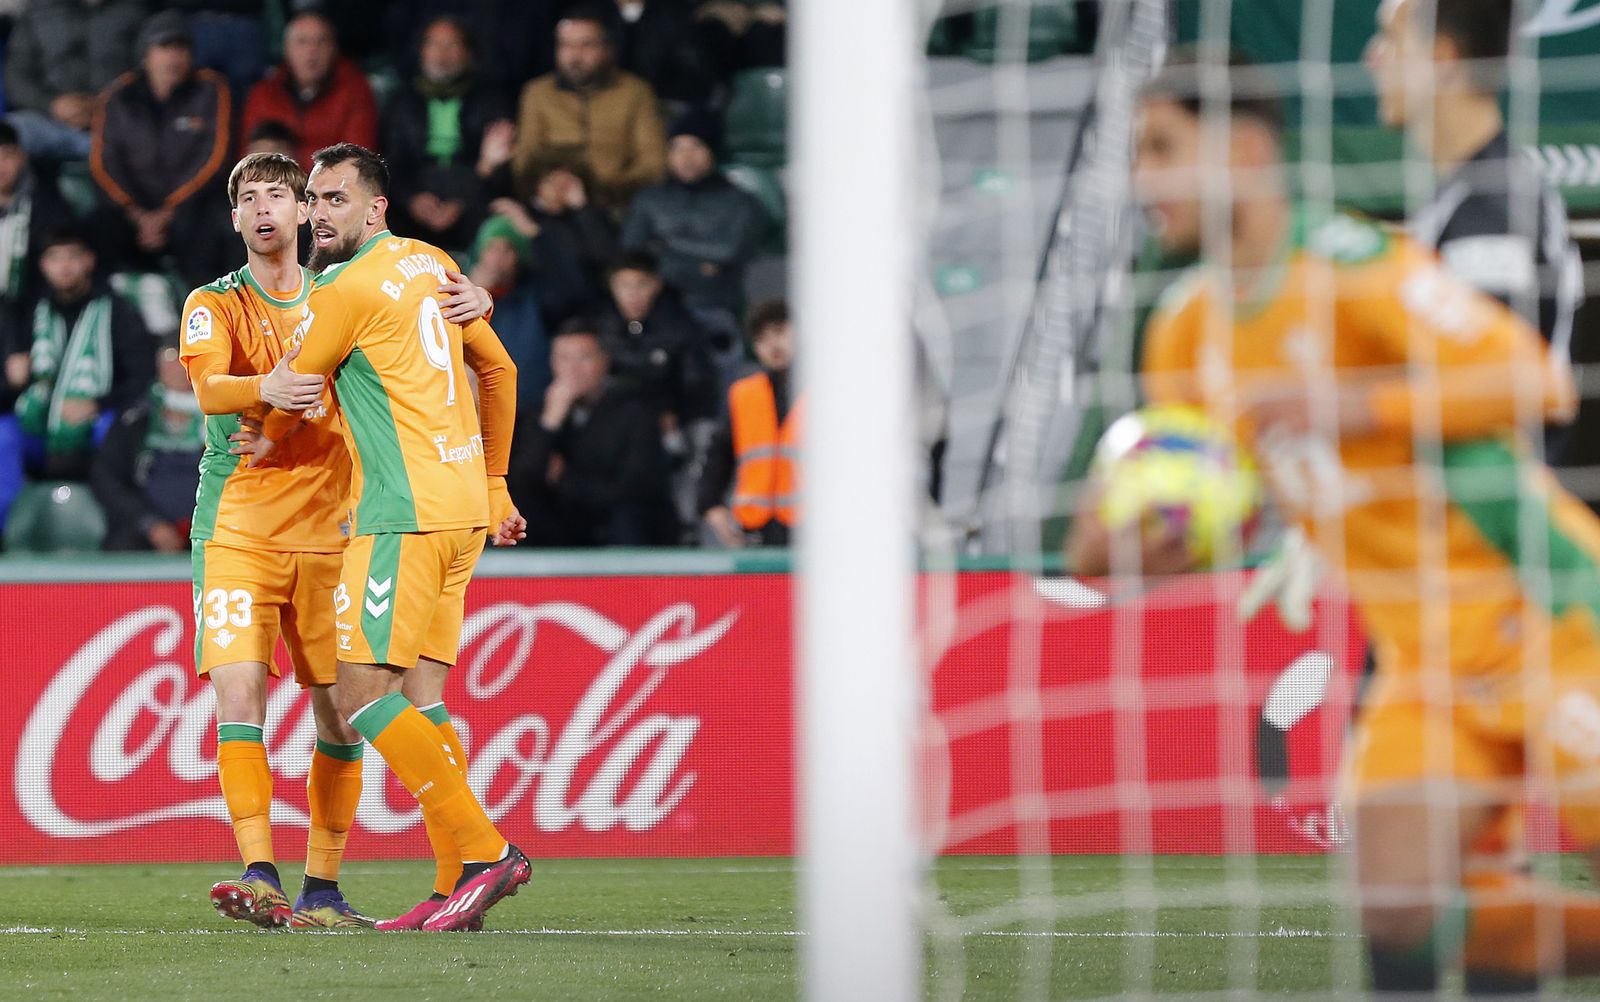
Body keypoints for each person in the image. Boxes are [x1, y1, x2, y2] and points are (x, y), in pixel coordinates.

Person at [1066, 51, 1600, 993]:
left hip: (1553, 616)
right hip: (1426, 662)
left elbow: (1537, 379)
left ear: (1245, 149)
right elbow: (1207, 516)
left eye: (1163, 148)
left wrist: (1353, 407)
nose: (1142, 178)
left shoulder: (1352, 264)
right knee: (1397, 909)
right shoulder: (1183, 333)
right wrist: (1128, 546)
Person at [179, 151, 499, 929]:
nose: (266, 209)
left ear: (303, 215)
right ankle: (261, 872)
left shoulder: (347, 292)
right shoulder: (213, 303)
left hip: (336, 532)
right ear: (235, 218)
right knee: (239, 695)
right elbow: (208, 390)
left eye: (281, 197)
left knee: (341, 714)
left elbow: (450, 326)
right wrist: (265, 388)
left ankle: (324, 888)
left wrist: (477, 301)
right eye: (248, 198)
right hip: (238, 533)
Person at [263, 143, 529, 932]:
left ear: (377, 207)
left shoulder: (344, 288)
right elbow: (502, 371)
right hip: (463, 512)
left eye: (335, 199)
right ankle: (458, 887)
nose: (316, 213)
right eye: (312, 199)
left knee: (358, 694)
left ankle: (486, 854)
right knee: (420, 696)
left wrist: (253, 405)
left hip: (401, 515)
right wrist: (498, 483)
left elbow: (290, 388)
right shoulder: (434, 263)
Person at [1366, 0, 1584, 469]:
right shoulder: (1463, 196)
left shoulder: (1494, 212)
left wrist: (1358, 408)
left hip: (1495, 526)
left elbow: (1490, 393)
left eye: (1391, 39)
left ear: (1444, 60)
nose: (1373, 57)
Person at [88, 11, 235, 290]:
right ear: (146, 54)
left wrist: (170, 211)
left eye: (181, 48)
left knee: (216, 223)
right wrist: (135, 213)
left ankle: (207, 312)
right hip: (132, 213)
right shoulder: (117, 96)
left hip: (190, 210)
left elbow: (215, 159)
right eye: (164, 48)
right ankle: (120, 310)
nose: (173, 57)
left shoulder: (211, 88)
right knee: (99, 226)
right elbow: (103, 164)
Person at [507, 318, 677, 547]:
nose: (573, 369)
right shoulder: (540, 412)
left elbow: (636, 488)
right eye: (563, 358)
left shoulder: (635, 410)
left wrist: (564, 481)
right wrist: (549, 424)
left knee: (629, 517)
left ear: (605, 360)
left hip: (616, 526)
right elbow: (522, 484)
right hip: (562, 527)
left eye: (584, 357)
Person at [621, 106, 766, 353]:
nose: (686, 157)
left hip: (713, 308)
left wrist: (664, 242)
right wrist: (703, 264)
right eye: (677, 148)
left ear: (712, 151)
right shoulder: (649, 199)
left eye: (696, 147)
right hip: (656, 311)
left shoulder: (740, 201)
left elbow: (729, 251)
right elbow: (631, 253)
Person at [13, 226, 153, 479]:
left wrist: (97, 404)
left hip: (100, 415)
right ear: (43, 265)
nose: (64, 266)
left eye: (72, 256)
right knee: (8, 434)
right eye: (54, 258)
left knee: (110, 428)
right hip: (38, 418)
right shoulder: (33, 308)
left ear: (89, 260)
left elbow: (141, 375)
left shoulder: (117, 309)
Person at [510, 6, 667, 214]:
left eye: (586, 45)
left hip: (615, 205)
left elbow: (653, 163)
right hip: (550, 205)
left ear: (607, 49)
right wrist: (552, 187)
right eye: (566, 45)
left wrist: (603, 190)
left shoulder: (635, 92)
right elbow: (526, 158)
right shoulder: (538, 93)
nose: (575, 55)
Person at [382, 15, 515, 252]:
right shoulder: (401, 101)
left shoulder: (491, 101)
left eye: (451, 45)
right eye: (434, 45)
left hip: (473, 192)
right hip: (415, 195)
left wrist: (462, 200)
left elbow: (498, 171)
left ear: (468, 52)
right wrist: (413, 200)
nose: (441, 55)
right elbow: (390, 162)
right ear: (422, 51)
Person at [697, 299, 796, 547]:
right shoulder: (745, 394)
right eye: (762, 339)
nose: (773, 345)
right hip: (756, 527)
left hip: (815, 527)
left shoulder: (833, 393)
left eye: (780, 333)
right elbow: (719, 452)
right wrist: (710, 504)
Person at [92, 337, 204, 552]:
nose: (179, 367)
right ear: (157, 364)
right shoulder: (135, 417)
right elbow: (107, 477)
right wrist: (149, 524)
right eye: (171, 357)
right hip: (144, 532)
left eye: (188, 358)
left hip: (214, 528)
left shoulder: (225, 414)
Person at [3, 0, 144, 161]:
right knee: (11, 134)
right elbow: (17, 77)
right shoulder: (38, 11)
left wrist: (107, 105)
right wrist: (53, 104)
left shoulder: (137, 9)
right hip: (50, 122)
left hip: (120, 123)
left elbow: (152, 69)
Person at [240, 10, 379, 170]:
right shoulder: (263, 94)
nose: (311, 50)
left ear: (334, 48)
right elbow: (248, 160)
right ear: (286, 49)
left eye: (321, 41)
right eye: (302, 41)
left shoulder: (355, 90)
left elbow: (358, 161)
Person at [597, 250, 718, 431]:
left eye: (641, 284)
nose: (632, 294)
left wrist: (671, 410)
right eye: (624, 285)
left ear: (656, 284)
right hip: (613, 421)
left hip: (673, 425)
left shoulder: (680, 327)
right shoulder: (600, 326)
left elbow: (697, 384)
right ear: (612, 287)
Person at [489, 152, 619, 321]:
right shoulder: (521, 215)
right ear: (537, 185)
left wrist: (582, 209)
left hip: (585, 302)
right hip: (534, 303)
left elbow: (604, 255)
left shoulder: (590, 216)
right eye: (551, 182)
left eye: (566, 183)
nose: (558, 190)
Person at [468, 215, 552, 406]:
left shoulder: (534, 297)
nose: (498, 258)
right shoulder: (454, 290)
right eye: (492, 248)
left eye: (508, 249)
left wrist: (538, 235)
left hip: (521, 407)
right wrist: (474, 290)